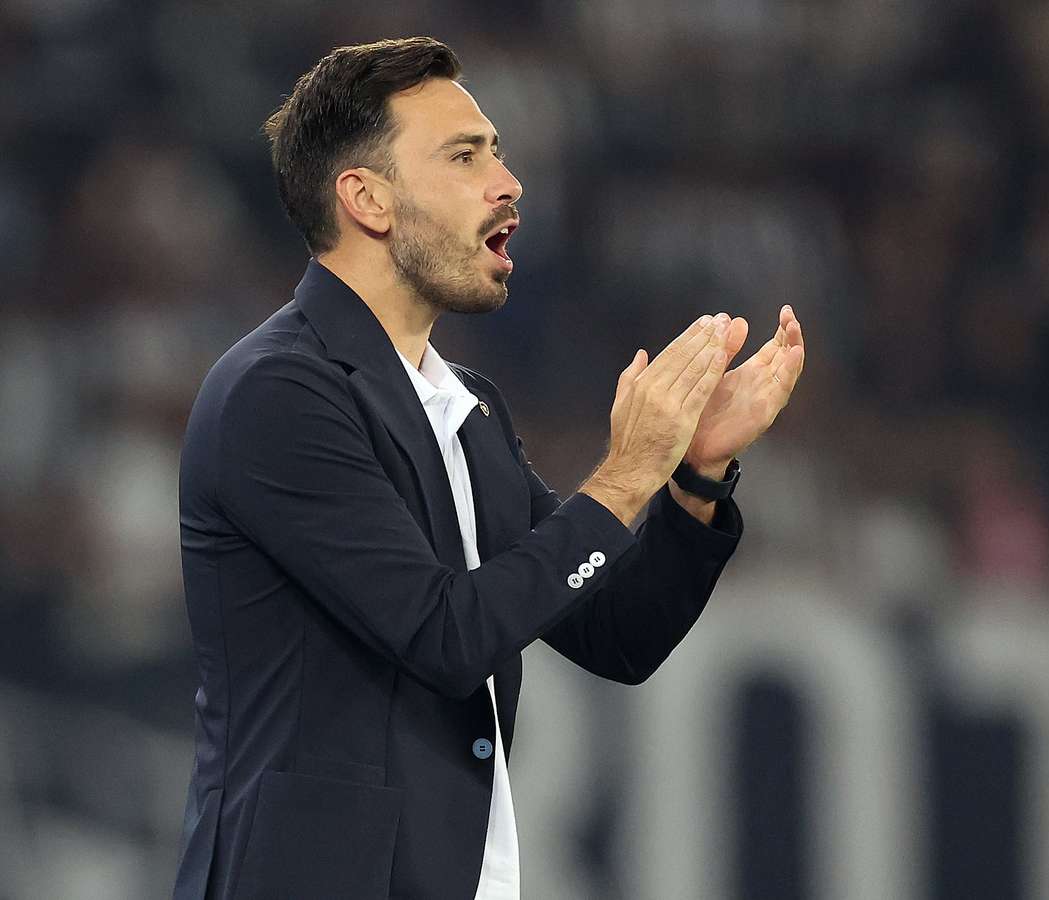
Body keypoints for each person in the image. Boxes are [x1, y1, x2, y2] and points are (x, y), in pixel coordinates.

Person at [172, 36, 804, 900]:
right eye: (465, 156)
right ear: (367, 199)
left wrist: (693, 476)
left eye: (497, 152)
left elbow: (617, 634)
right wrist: (625, 474)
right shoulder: (277, 392)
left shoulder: (464, 406)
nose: (508, 183)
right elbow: (445, 637)